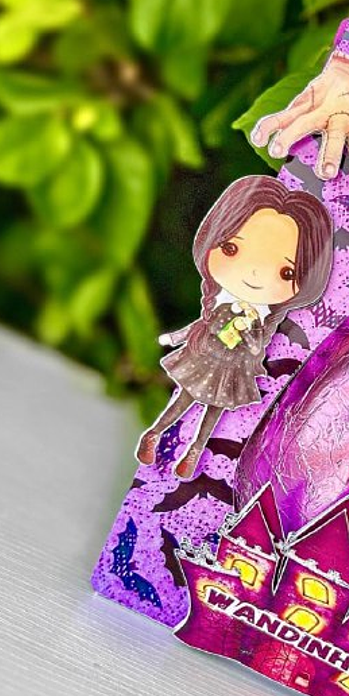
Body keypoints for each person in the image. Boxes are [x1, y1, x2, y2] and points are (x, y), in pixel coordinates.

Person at [136, 176, 334, 480]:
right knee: (184, 399)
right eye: (231, 248)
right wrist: (174, 337)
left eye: (285, 272)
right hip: (205, 359)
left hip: (233, 369)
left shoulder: (262, 319)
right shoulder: (220, 303)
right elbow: (202, 326)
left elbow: (256, 348)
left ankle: (195, 450)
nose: (254, 273)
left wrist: (248, 330)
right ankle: (155, 433)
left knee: (214, 412)